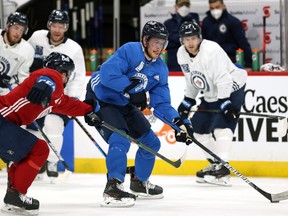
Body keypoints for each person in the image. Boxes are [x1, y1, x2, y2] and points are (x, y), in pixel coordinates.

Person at [86, 20, 194, 207]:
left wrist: (179, 123)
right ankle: (113, 187)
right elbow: (106, 75)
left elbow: (161, 104)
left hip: (124, 103)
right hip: (102, 99)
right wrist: (131, 90)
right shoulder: (130, 50)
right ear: (145, 40)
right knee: (120, 139)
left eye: (162, 43)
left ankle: (138, 182)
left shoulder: (160, 69)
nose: (158, 48)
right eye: (155, 42)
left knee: (151, 143)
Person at [0, 52, 100, 215]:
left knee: (28, 152)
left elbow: (68, 104)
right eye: (67, 74)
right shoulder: (45, 76)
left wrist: (91, 110)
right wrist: (46, 84)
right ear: (62, 72)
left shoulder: (54, 97)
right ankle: (16, 195)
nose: (67, 78)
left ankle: (14, 194)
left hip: (5, 124)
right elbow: (47, 77)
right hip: (2, 119)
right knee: (39, 149)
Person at [176, 21, 247, 186]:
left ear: (199, 38)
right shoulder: (181, 54)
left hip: (232, 86)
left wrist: (225, 103)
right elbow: (192, 79)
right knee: (198, 130)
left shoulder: (211, 50)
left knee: (222, 126)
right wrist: (188, 100)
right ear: (182, 41)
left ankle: (223, 169)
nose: (191, 43)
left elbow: (224, 79)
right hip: (212, 91)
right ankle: (216, 164)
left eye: (193, 38)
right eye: (187, 39)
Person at [27, 9, 86, 180]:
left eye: (61, 26)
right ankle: (37, 162)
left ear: (66, 27)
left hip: (60, 96)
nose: (57, 30)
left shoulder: (74, 48)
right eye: (54, 25)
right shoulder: (37, 37)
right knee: (33, 129)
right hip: (37, 93)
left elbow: (79, 76)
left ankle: (52, 160)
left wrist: (73, 99)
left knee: (53, 127)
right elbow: (27, 57)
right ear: (49, 25)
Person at [201, 0, 252, 70]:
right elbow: (203, 45)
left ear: (223, 6)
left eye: (217, 7)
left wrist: (248, 65)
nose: (215, 10)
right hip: (212, 61)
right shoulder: (206, 22)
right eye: (212, 8)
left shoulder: (233, 22)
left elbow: (243, 44)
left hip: (231, 60)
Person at [0, 12, 34, 95]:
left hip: (6, 92)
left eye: (22, 30)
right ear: (7, 26)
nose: (18, 33)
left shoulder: (27, 50)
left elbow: (23, 77)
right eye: (16, 28)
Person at [164, 0, 199, 72]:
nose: (184, 7)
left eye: (186, 5)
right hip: (173, 63)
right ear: (175, 7)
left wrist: (174, 37)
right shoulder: (168, 23)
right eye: (181, 5)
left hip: (191, 62)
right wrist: (185, 38)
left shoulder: (194, 21)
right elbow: (166, 44)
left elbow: (196, 41)